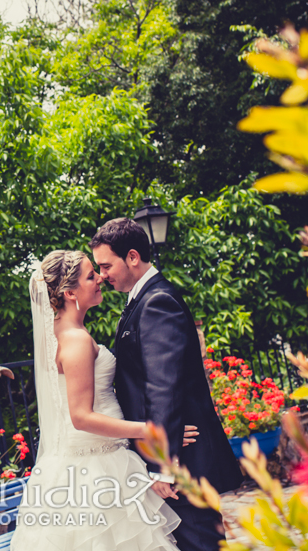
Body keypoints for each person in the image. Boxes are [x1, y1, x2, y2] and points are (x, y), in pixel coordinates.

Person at [10, 250, 195, 550]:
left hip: (80, 462)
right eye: (90, 275)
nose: (100, 278)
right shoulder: (77, 341)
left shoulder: (62, 334)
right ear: (70, 292)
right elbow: (81, 417)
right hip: (98, 467)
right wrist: (151, 430)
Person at [90, 218, 243, 551]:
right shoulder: (140, 300)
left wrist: (162, 465)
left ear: (132, 257)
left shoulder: (157, 302)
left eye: (105, 265)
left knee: (202, 543)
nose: (101, 275)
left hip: (183, 459)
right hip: (173, 453)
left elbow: (163, 387)